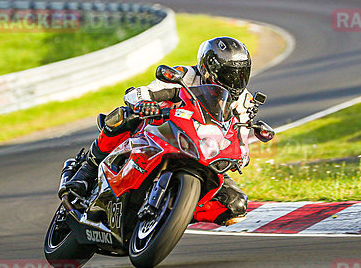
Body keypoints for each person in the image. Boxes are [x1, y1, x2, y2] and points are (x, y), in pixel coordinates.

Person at [61, 36, 255, 226]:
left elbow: (242, 134)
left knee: (235, 206)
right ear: (207, 68)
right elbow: (140, 93)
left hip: (203, 150)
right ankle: (87, 169)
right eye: (228, 74)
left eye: (240, 74)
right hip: (161, 128)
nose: (234, 81)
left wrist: (242, 155)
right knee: (123, 116)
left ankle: (173, 210)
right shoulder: (184, 76)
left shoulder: (243, 101)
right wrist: (144, 104)